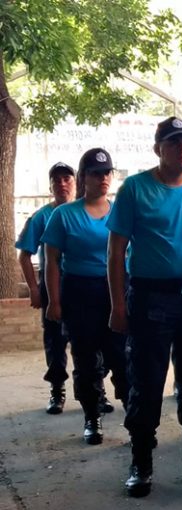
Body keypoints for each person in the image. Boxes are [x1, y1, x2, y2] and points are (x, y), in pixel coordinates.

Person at [107, 116, 182, 497]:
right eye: (174, 142)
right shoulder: (135, 189)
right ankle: (141, 463)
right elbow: (115, 251)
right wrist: (117, 305)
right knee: (146, 382)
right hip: (149, 299)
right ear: (158, 148)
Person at [41, 148, 130, 444]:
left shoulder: (120, 212)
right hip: (79, 291)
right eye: (95, 173)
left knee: (122, 355)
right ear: (83, 177)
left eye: (107, 173)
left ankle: (134, 415)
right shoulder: (64, 214)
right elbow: (51, 260)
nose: (103, 178)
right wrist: (53, 301)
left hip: (115, 289)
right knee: (86, 357)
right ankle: (92, 417)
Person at [15, 162, 75, 414]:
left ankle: (96, 391)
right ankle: (57, 391)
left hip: (82, 287)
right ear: (50, 186)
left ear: (76, 182)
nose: (62, 184)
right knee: (55, 341)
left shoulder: (87, 211)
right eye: (56, 180)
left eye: (66, 179)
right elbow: (24, 255)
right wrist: (34, 289)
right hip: (53, 288)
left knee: (94, 341)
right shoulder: (41, 217)